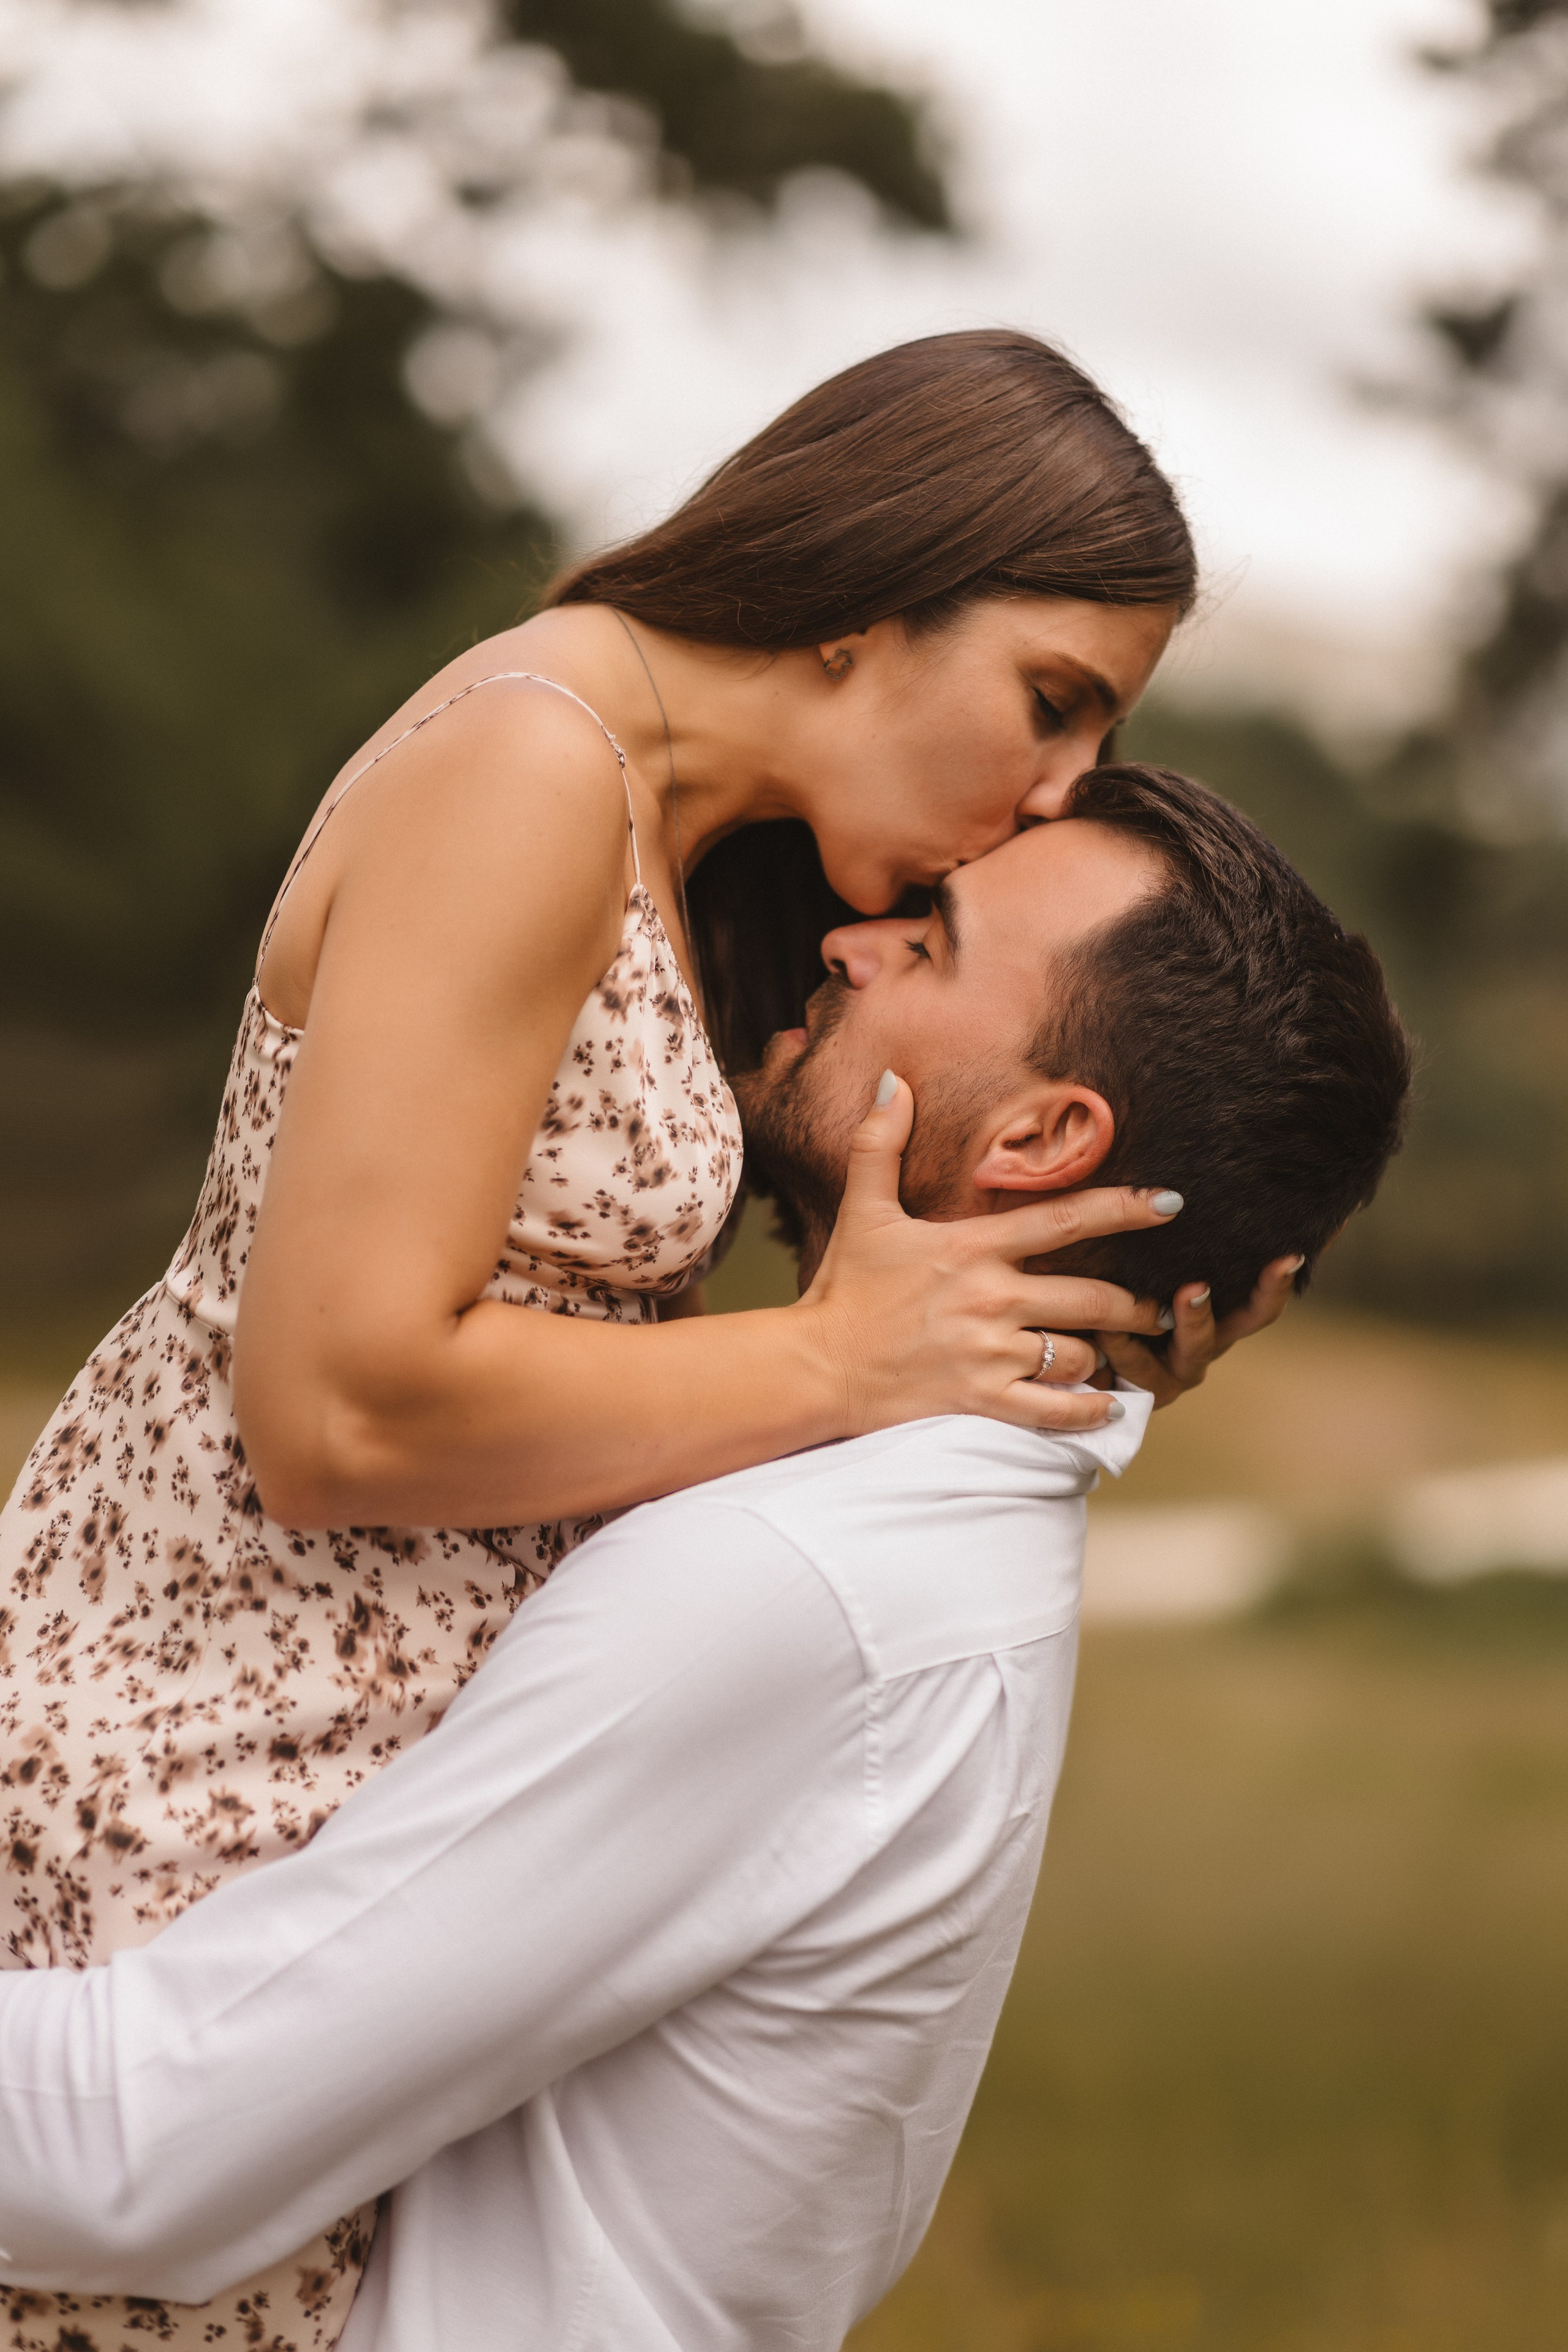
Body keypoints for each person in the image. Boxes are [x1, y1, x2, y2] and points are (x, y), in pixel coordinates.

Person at [0, 329, 1292, 2351]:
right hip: (181, 1780)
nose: (1050, 795)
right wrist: (838, 1366)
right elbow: (332, 1407)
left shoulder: (673, 837)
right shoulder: (531, 765)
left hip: (299, 1814)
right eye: (1053, 705)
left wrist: (1082, 1311)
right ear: (880, 593)